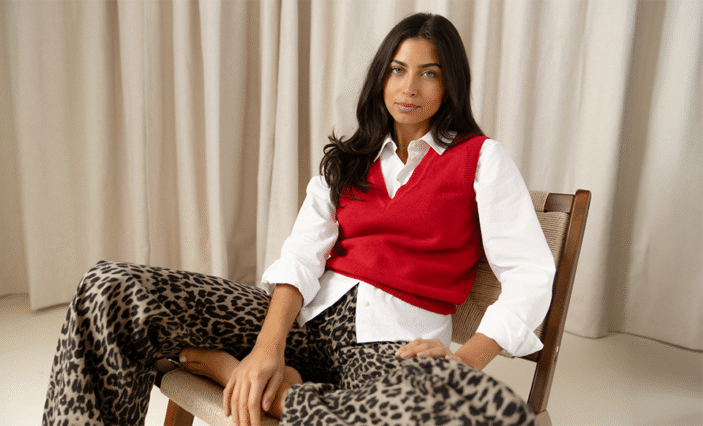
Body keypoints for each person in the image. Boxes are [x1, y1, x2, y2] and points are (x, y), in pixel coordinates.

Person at [43, 12, 554, 426]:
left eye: (429, 73)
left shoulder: (480, 159)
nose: (409, 86)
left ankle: (257, 385)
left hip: (392, 345)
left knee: (473, 413)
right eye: (398, 69)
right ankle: (271, 380)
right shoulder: (350, 159)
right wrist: (268, 349)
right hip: (303, 323)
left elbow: (530, 274)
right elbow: (302, 256)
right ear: (381, 76)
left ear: (450, 84)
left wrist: (463, 364)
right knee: (110, 287)